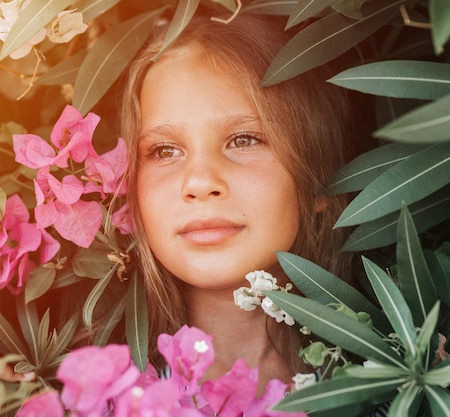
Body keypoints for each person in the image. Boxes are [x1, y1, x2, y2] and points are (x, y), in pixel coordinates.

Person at [119, 7, 356, 391]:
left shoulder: (406, 391)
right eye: (164, 150)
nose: (198, 181)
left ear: (317, 181)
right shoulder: (85, 399)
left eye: (244, 140)